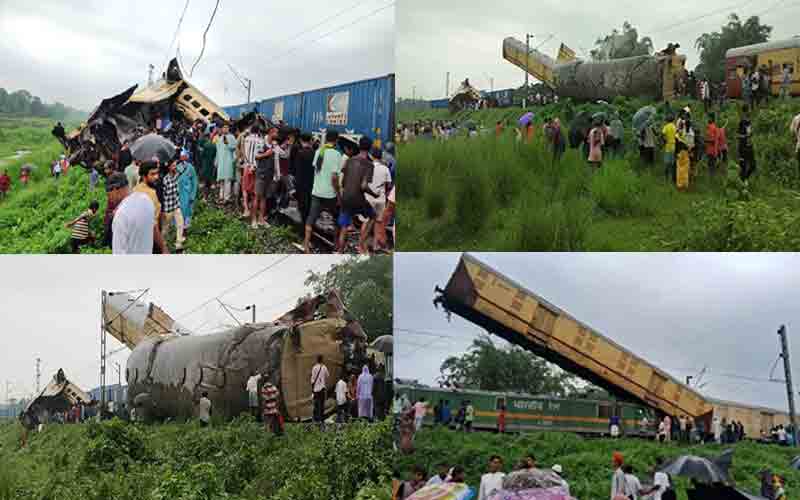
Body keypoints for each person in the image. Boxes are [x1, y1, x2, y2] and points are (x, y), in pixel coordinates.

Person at [339, 136, 379, 254]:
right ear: (370, 148)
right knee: (373, 216)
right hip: (358, 199)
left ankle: (340, 251)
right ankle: (361, 243)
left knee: (344, 226)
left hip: (346, 197)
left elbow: (343, 182)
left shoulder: (349, 160)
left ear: (359, 146)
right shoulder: (369, 164)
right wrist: (374, 194)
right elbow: (363, 186)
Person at [304, 131, 342, 253]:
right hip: (330, 194)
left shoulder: (318, 152)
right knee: (336, 218)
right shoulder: (337, 154)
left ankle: (306, 245)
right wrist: (339, 194)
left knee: (311, 218)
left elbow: (317, 170)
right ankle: (336, 244)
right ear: (336, 141)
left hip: (316, 191)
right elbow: (334, 178)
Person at [133, 161, 168, 254]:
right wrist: (163, 247)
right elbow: (153, 225)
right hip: (150, 239)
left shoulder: (136, 189)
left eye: (157, 173)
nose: (156, 177)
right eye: (152, 174)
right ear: (144, 176)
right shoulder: (150, 194)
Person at [367, 147, 392, 253]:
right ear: (381, 156)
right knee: (378, 222)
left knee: (367, 221)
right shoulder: (385, 168)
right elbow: (389, 184)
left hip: (368, 198)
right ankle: (375, 245)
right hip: (381, 199)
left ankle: (363, 244)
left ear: (372, 156)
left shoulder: (368, 167)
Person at [161, 160, 186, 252]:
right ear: (168, 168)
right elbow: (163, 196)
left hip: (176, 205)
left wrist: (180, 160)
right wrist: (162, 210)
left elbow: (183, 167)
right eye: (173, 166)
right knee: (165, 229)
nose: (175, 167)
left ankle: (178, 244)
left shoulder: (176, 175)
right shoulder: (165, 180)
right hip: (168, 208)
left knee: (180, 224)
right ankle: (162, 244)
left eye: (175, 165)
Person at [215, 124, 237, 202]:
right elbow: (217, 151)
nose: (225, 129)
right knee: (221, 180)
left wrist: (228, 143)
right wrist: (216, 161)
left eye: (226, 127)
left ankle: (227, 197)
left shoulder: (232, 137)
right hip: (221, 161)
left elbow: (235, 147)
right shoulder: (219, 138)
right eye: (223, 127)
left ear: (228, 129)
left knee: (227, 180)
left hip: (228, 160)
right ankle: (221, 196)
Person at [176, 151, 198, 229]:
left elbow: (194, 182)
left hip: (187, 194)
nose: (183, 158)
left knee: (187, 211)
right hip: (178, 193)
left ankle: (186, 228)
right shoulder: (176, 167)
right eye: (182, 156)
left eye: (184, 156)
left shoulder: (191, 167)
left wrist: (193, 194)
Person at [737, 106, 756, 181]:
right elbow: (738, 135)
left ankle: (745, 179)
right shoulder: (742, 122)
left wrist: (750, 135)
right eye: (748, 111)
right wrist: (745, 136)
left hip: (750, 146)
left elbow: (750, 134)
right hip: (743, 147)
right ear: (745, 112)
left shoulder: (749, 122)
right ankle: (742, 182)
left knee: (753, 166)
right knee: (743, 167)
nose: (750, 112)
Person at [310, 355, 329, 425]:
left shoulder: (314, 367)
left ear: (317, 360)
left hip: (316, 389)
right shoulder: (324, 367)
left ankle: (316, 419)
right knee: (322, 404)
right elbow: (327, 375)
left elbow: (312, 380)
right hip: (322, 389)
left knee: (316, 404)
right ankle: (322, 419)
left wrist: (313, 388)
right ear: (322, 360)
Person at [662, 115, 677, 183]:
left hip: (668, 147)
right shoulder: (674, 126)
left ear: (667, 120)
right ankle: (672, 178)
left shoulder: (666, 126)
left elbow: (663, 134)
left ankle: (666, 178)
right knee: (673, 164)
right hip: (674, 146)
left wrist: (664, 141)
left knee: (667, 163)